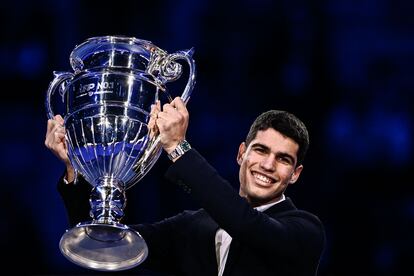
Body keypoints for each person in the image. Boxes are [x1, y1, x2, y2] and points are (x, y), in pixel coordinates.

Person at [45, 97, 326, 275]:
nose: (267, 165)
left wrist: (179, 148)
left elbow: (246, 225)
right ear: (242, 153)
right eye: (261, 150)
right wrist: (77, 166)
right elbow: (104, 243)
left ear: (295, 174)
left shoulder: (305, 231)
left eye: (283, 159)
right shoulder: (193, 227)